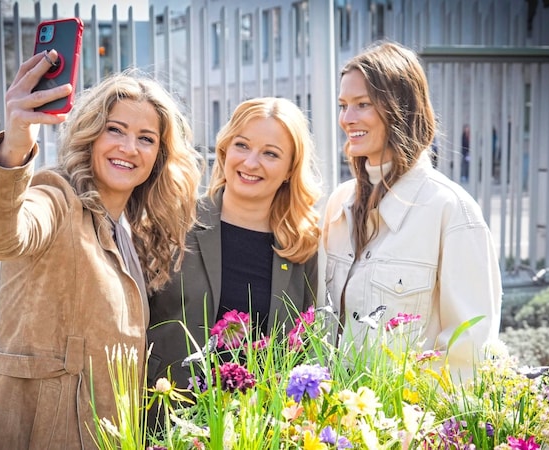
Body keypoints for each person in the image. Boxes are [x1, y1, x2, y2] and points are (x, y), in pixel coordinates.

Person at [0, 49, 202, 449]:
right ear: (90, 134)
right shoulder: (56, 197)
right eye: (115, 130)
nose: (129, 147)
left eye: (146, 139)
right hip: (32, 435)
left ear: (157, 158)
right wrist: (17, 143)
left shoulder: (127, 229)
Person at [323, 41, 502, 381]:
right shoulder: (339, 203)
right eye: (343, 105)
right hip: (333, 426)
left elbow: (468, 352)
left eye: (363, 104)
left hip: (406, 428)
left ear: (400, 107)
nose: (347, 119)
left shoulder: (452, 211)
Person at [146, 97, 322, 397]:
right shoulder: (173, 223)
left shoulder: (301, 245)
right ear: (225, 149)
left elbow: (303, 345)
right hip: (171, 420)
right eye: (242, 145)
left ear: (290, 169)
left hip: (258, 426)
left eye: (270, 153)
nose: (251, 163)